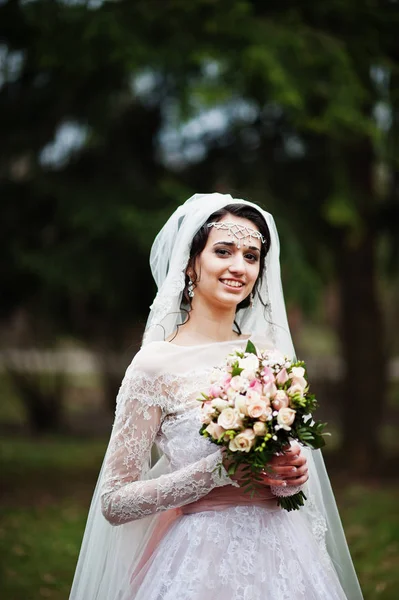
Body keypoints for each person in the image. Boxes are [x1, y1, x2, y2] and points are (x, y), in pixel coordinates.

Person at [70, 193, 363, 599]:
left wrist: (289, 474)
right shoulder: (154, 365)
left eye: (251, 255)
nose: (238, 267)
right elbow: (115, 503)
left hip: (285, 559)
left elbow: (287, 484)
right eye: (223, 251)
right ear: (191, 264)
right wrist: (216, 471)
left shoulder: (268, 356)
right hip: (199, 561)